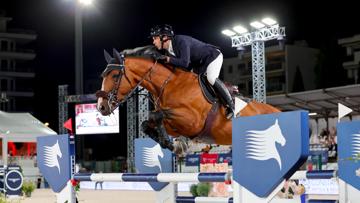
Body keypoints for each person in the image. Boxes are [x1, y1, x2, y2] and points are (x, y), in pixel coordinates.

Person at [149, 24, 235, 119]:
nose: (153, 42)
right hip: (198, 65)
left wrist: (167, 59)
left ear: (164, 37)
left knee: (210, 78)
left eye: (155, 38)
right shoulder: (168, 51)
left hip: (212, 57)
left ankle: (231, 106)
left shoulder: (180, 41)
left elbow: (184, 63)